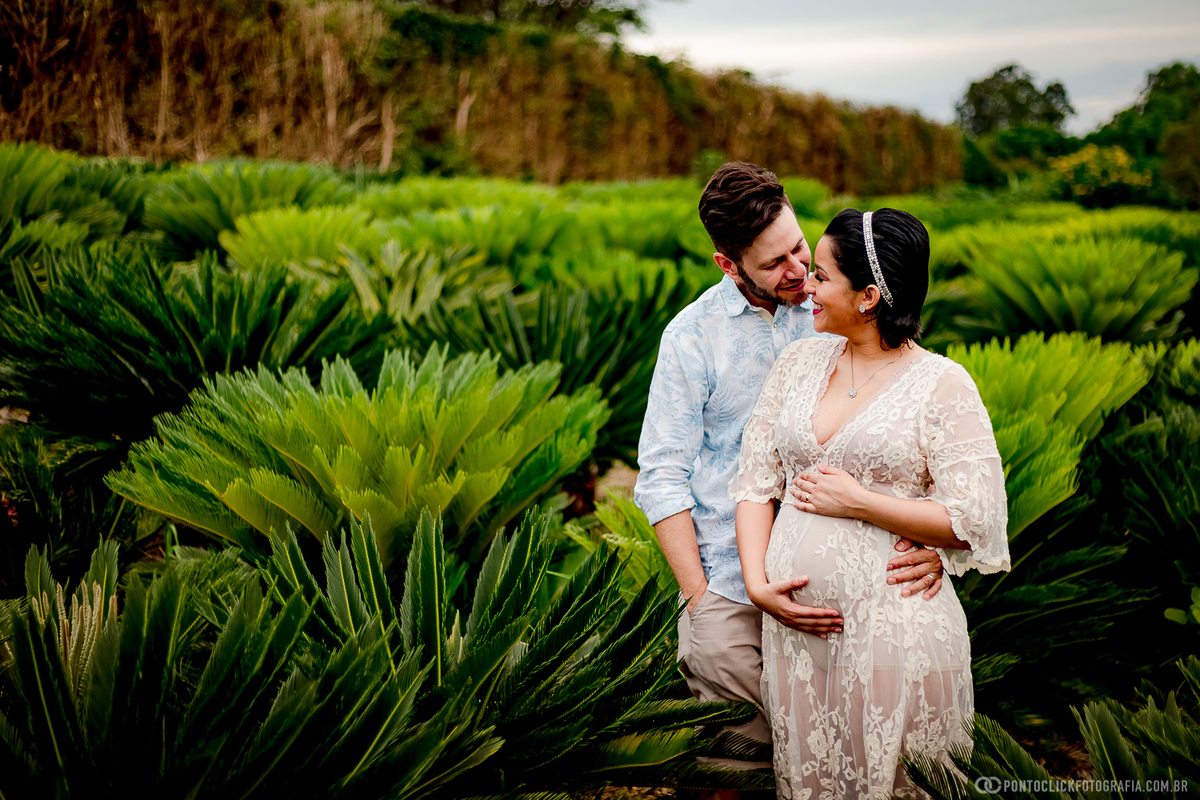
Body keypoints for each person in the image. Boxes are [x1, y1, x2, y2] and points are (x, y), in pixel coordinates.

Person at [634, 164, 947, 764]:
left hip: (844, 590)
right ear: (728, 264)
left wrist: (937, 542)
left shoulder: (839, 304)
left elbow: (907, 422)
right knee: (738, 761)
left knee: (843, 754)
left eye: (800, 248)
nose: (799, 272)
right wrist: (701, 600)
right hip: (729, 587)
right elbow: (662, 475)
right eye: (775, 264)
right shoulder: (692, 338)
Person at [733, 208, 1011, 798]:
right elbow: (756, 483)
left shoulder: (942, 383)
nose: (805, 284)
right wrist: (759, 585)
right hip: (796, 640)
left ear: (868, 296)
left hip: (894, 635)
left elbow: (976, 518)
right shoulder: (798, 364)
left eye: (823, 277)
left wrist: (863, 503)